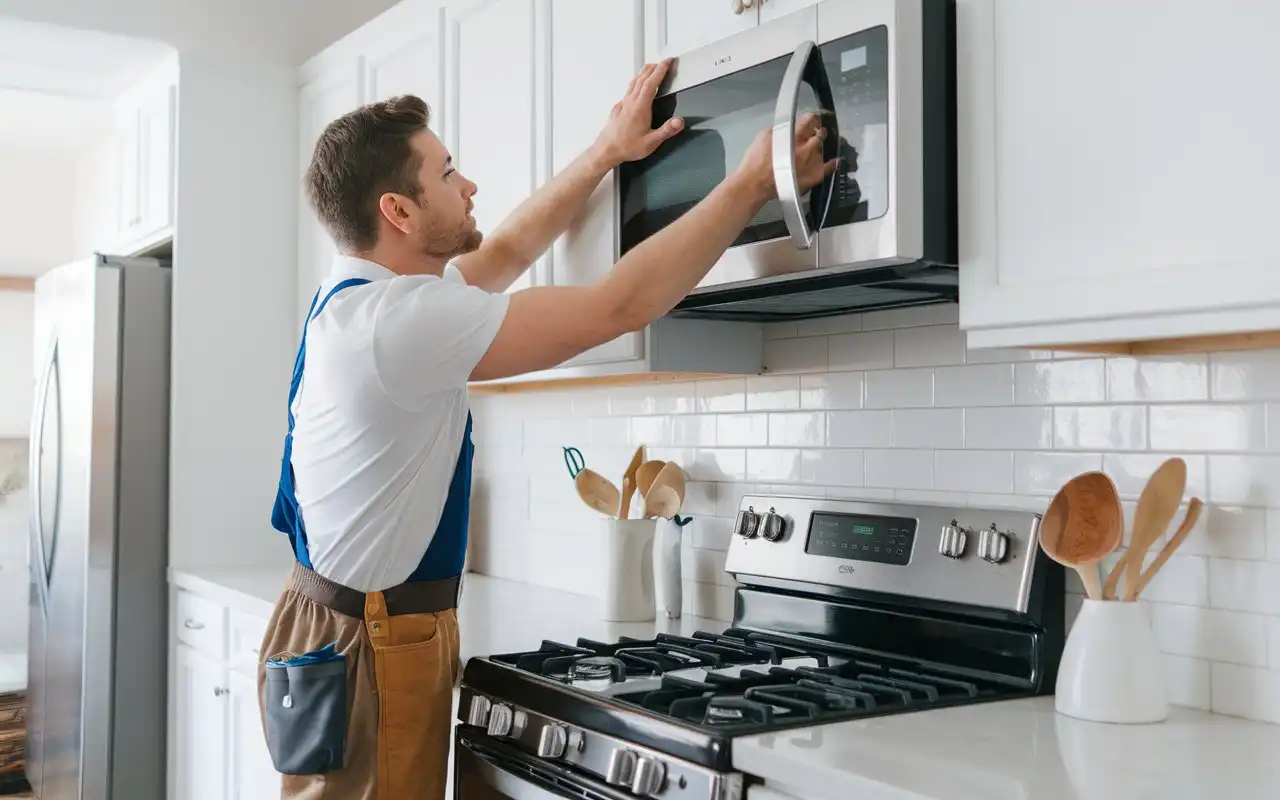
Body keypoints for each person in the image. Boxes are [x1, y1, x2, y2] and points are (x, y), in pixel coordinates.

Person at [257, 58, 833, 800]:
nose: (469, 187)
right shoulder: (398, 323)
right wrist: (753, 183)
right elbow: (617, 306)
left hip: (338, 622)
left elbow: (501, 255)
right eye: (448, 172)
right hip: (370, 639)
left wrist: (605, 154)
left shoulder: (364, 297)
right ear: (398, 210)